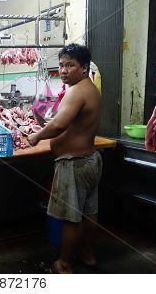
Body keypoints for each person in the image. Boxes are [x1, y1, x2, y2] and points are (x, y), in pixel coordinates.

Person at [27, 44, 102, 274]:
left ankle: (64, 264)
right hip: (89, 160)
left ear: (84, 67)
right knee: (89, 212)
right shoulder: (89, 89)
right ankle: (88, 255)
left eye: (70, 65)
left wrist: (36, 136)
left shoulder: (77, 91)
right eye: (61, 65)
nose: (63, 70)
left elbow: (60, 124)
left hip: (73, 164)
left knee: (72, 218)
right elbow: (66, 122)